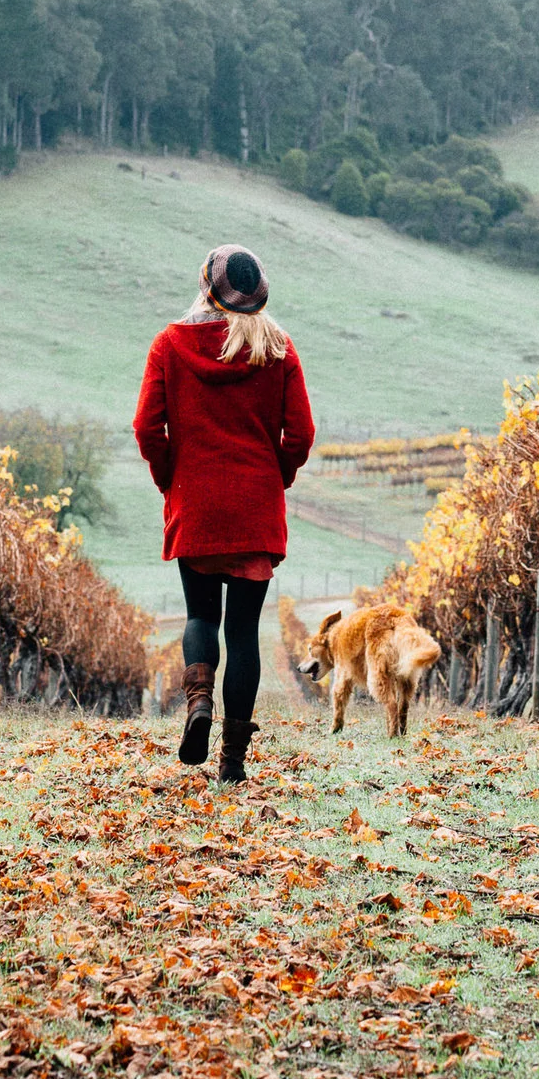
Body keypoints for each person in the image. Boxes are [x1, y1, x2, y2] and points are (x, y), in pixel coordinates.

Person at [133, 243, 315, 782]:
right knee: (243, 633)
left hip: (198, 502)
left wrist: (173, 480)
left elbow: (147, 429)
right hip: (256, 507)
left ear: (206, 285)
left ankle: (197, 707)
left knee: (200, 617)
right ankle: (232, 762)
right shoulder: (280, 348)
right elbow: (300, 435)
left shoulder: (169, 344)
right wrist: (273, 477)